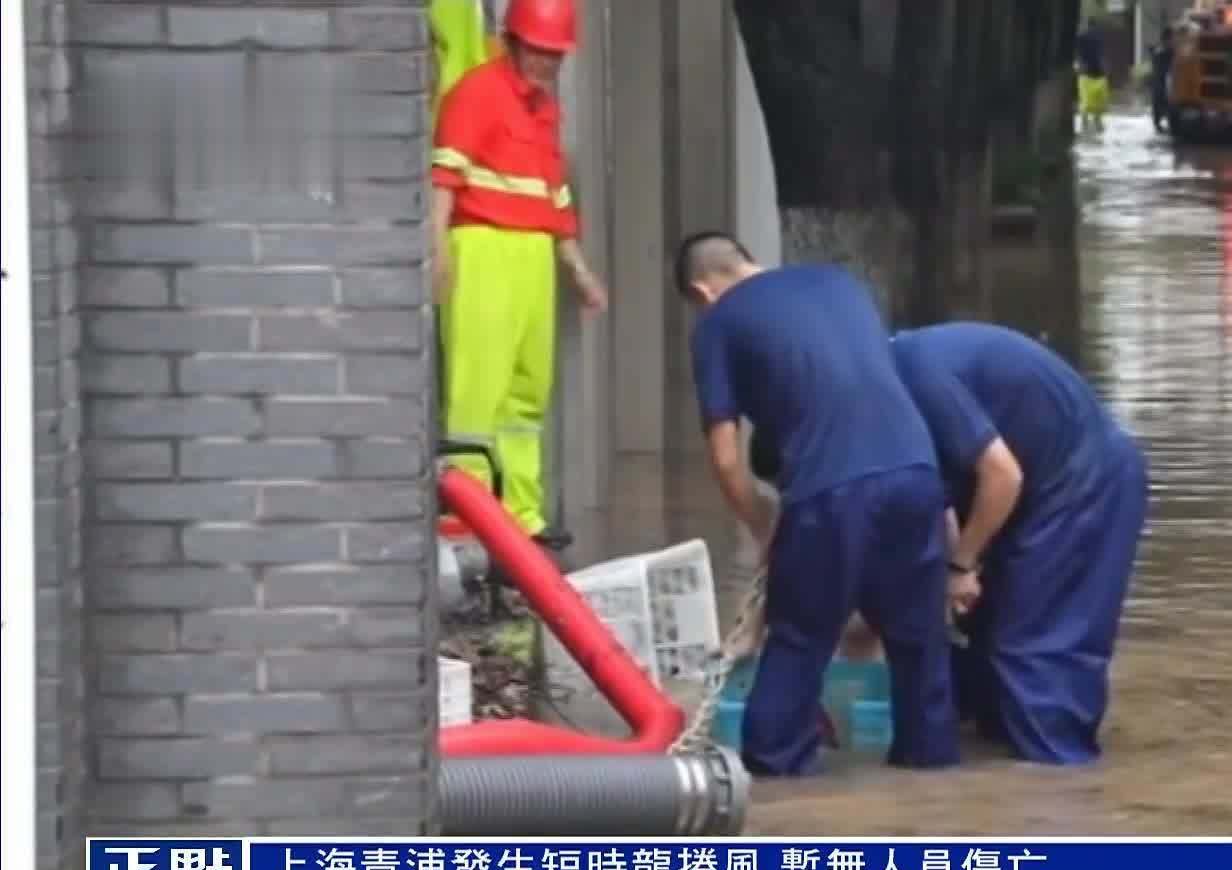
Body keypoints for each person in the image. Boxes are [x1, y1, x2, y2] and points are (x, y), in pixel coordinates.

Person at [674, 232, 958, 777]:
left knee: (800, 638)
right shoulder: (839, 282)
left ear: (702, 291)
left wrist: (763, 524)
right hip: (918, 472)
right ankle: (932, 785)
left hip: (832, 491)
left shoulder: (718, 323)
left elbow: (727, 459)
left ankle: (782, 795)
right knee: (920, 646)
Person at [889, 322, 1149, 766]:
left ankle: (1059, 801)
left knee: (1033, 651)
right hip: (1036, 492)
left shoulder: (912, 369)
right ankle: (1001, 796)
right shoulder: (894, 388)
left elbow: (1002, 475)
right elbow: (942, 502)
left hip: (1082, 484)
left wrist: (961, 565)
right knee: (984, 640)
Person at [431, 0, 607, 550]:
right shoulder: (477, 93)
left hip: (532, 256)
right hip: (482, 246)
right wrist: (436, 250)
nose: (547, 64)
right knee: (476, 391)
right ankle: (466, 519)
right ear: (511, 41)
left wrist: (577, 268)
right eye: (538, 51)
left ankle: (520, 518)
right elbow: (444, 178)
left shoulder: (545, 108)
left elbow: (554, 193)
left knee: (526, 399)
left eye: (555, 56)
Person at [428, 0, 495, 116]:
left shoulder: (421, 7)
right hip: (459, 90)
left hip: (432, 90)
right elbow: (476, 54)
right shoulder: (467, 4)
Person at [1075, 18, 1110, 134]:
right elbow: (1102, 55)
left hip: (1086, 73)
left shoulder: (1081, 36)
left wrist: (1079, 64)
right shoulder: (1099, 37)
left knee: (1085, 102)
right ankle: (1097, 123)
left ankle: (1085, 124)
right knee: (1098, 103)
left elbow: (1078, 53)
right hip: (1098, 73)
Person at [1149, 27, 1176, 133]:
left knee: (1163, 104)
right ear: (1166, 39)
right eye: (1171, 39)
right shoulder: (1164, 51)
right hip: (1161, 83)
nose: (1172, 41)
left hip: (1163, 83)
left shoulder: (1161, 50)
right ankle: (1159, 124)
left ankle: (1161, 124)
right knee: (1160, 102)